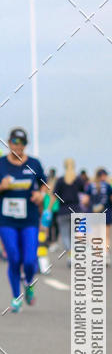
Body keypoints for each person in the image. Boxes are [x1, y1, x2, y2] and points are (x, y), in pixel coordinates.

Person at [0, 127, 47, 311]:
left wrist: (41, 195)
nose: (18, 146)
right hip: (6, 220)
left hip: (29, 219)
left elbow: (44, 185)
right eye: (14, 142)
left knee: (29, 260)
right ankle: (16, 297)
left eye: (22, 143)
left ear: (26, 145)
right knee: (14, 257)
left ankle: (28, 283)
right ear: (9, 143)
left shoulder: (34, 163)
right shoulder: (1, 164)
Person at [50, 158, 86, 265]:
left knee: (65, 235)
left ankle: (70, 254)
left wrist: (48, 209)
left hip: (63, 211)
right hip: (76, 210)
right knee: (77, 234)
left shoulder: (60, 180)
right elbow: (84, 194)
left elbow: (54, 196)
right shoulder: (78, 180)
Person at [83, 168, 112, 264]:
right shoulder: (108, 186)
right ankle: (105, 255)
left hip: (93, 214)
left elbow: (85, 201)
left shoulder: (90, 186)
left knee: (95, 236)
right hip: (106, 213)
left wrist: (89, 206)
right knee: (105, 236)